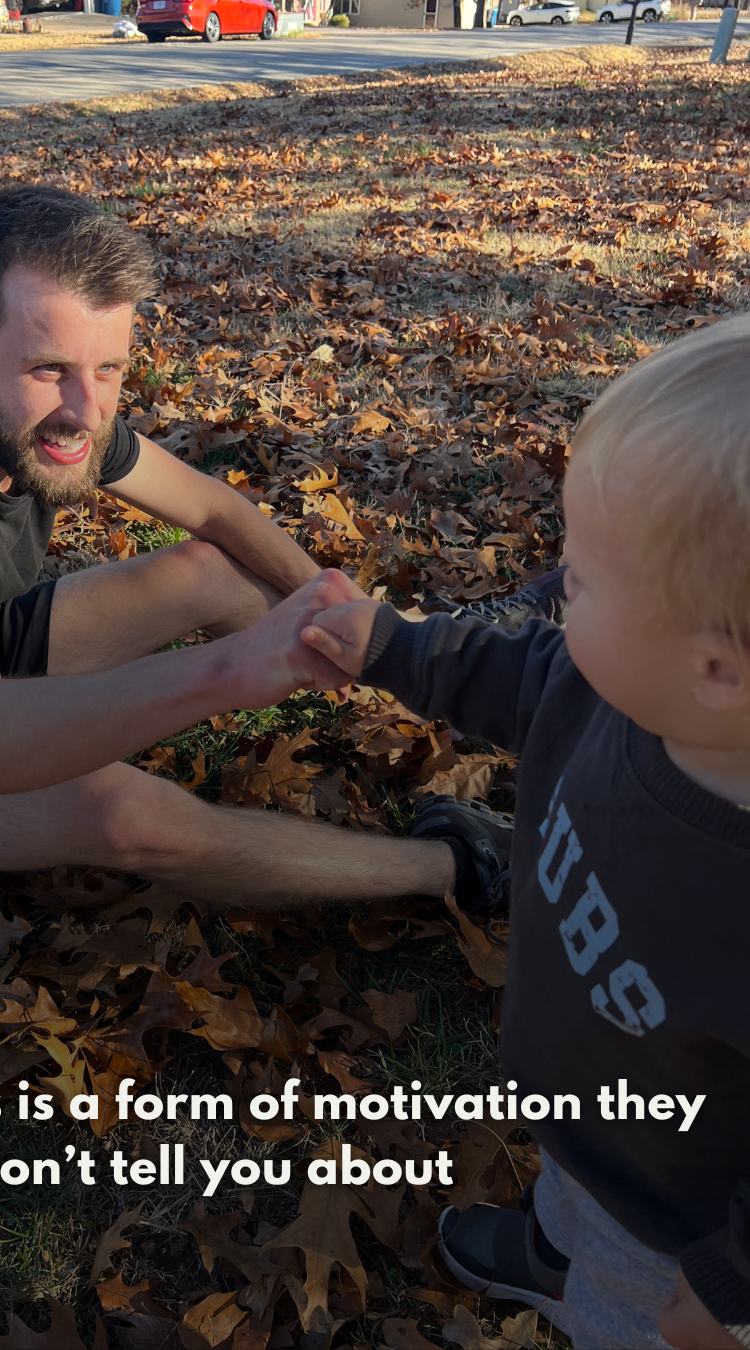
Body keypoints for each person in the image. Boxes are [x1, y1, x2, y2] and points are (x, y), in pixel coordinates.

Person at [0, 184, 552, 908]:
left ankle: (442, 664)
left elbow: (219, 513)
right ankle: (465, 865)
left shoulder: (46, 411)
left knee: (213, 572)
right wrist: (227, 670)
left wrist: (374, 633)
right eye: (50, 369)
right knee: (130, 813)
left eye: (109, 369)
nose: (87, 411)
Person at [297, 316, 750, 1349]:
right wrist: (390, 646)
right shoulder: (607, 691)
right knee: (567, 1188)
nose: (555, 587)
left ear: (717, 668)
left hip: (666, 1221)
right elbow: (512, 671)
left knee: (619, 1312)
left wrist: (728, 1285)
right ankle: (551, 1249)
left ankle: (591, 1300)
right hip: (585, 1112)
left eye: (581, 579)